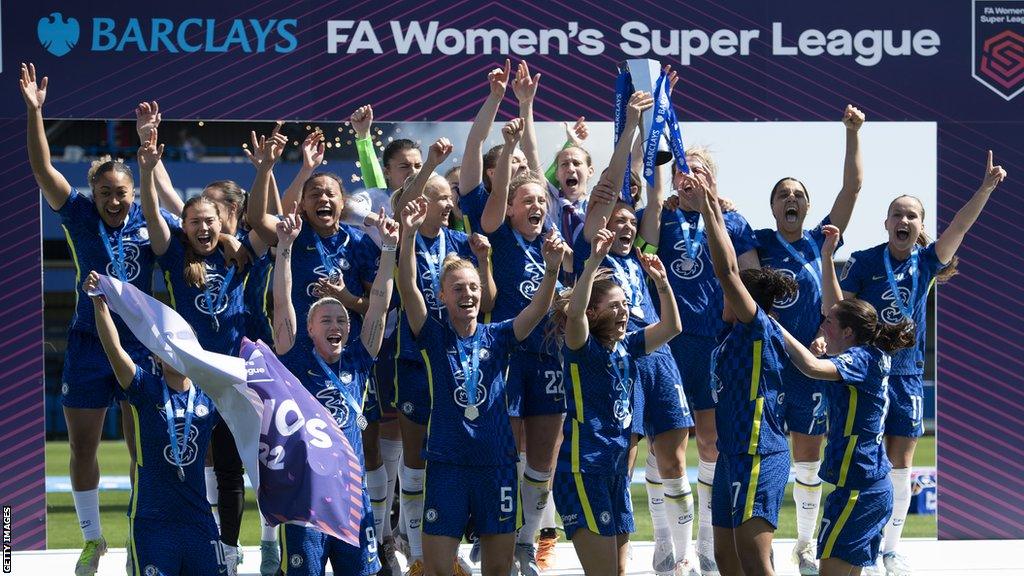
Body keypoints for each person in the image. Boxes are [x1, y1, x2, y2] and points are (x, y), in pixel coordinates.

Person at [21, 63, 164, 576]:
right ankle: (92, 541)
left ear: (131, 192)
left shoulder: (151, 218)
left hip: (142, 345)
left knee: (141, 446)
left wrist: (150, 152)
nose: (113, 199)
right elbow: (43, 172)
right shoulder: (79, 214)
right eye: (104, 192)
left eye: (120, 191)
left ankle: (137, 535)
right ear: (94, 194)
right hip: (87, 344)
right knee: (83, 444)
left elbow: (188, 219)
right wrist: (35, 112)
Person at [839, 152, 1007, 576]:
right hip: (867, 374)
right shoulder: (863, 260)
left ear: (919, 226)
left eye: (912, 215)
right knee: (863, 461)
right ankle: (861, 547)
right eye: (897, 213)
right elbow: (842, 311)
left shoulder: (928, 261)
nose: (904, 220)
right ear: (886, 223)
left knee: (901, 465)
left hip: (908, 376)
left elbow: (961, 226)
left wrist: (984, 188)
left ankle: (889, 552)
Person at [396, 191, 567, 576]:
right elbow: (407, 287)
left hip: (497, 465)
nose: (468, 294)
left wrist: (552, 269)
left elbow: (538, 309)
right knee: (439, 569)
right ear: (441, 295)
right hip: (446, 464)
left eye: (473, 287)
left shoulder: (499, 335)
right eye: (457, 288)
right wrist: (407, 238)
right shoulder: (433, 334)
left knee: (498, 569)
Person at [578, 89, 698, 576]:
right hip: (618, 363)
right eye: (617, 220)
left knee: (672, 454)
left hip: (659, 356)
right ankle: (619, 556)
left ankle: (677, 553)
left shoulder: (645, 252)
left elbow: (652, 193)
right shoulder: (597, 251)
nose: (626, 226)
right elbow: (608, 190)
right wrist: (630, 126)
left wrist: (662, 126)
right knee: (621, 465)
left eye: (633, 222)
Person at [137, 128, 266, 574]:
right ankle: (195, 537)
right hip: (188, 378)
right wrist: (148, 165)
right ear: (184, 227)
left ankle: (229, 550)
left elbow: (266, 230)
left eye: (210, 220)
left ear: (223, 220)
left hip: (230, 377)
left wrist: (264, 170)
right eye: (194, 222)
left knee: (231, 470)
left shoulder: (237, 256)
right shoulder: (173, 255)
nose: (204, 228)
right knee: (189, 463)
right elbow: (155, 212)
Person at [635, 142, 760, 572]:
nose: (690, 177)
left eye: (700, 170)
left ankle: (706, 541)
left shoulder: (735, 221)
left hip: (714, 343)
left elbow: (751, 279)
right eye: (684, 171)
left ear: (714, 179)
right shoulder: (662, 216)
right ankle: (666, 540)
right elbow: (642, 247)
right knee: (665, 443)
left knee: (711, 443)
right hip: (667, 343)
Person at [753, 104, 865, 574]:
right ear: (773, 207)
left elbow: (853, 187)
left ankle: (803, 543)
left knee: (810, 456)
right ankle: (747, 539)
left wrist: (852, 133)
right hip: (774, 363)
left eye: (798, 194)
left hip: (816, 362)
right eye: (783, 195)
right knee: (770, 456)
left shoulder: (823, 239)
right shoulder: (757, 240)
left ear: (808, 206)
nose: (791, 199)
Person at [778, 225, 915, 576]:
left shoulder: (859, 360)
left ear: (848, 332)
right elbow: (836, 307)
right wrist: (826, 256)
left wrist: (769, 322)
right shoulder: (865, 353)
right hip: (863, 487)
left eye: (828, 323)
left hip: (859, 488)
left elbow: (809, 366)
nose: (823, 325)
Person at [270, 204, 398, 576]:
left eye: (341, 319)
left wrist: (389, 250)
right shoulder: (294, 359)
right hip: (305, 495)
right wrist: (285, 248)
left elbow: (379, 304)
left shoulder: (359, 359)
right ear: (309, 329)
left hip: (350, 497)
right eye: (325, 319)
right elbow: (282, 301)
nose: (335, 324)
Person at [389, 139, 495, 576]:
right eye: (440, 198)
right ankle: (416, 554)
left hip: (458, 365)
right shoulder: (406, 236)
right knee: (413, 461)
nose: (449, 205)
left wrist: (485, 263)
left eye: (450, 199)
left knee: (445, 462)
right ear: (421, 203)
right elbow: (401, 205)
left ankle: (442, 553)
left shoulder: (461, 242)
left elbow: (486, 301)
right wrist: (430, 165)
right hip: (416, 359)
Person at [551, 224, 682, 576]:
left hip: (614, 471)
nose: (624, 311)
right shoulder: (582, 346)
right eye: (615, 305)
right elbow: (574, 313)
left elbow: (671, 328)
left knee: (619, 572)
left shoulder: (629, 345)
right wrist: (593, 261)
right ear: (594, 313)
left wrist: (662, 284)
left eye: (626, 304)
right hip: (583, 469)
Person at [479, 118, 575, 575]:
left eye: (543, 200)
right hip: (508, 357)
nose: (537, 206)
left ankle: (526, 542)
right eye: (528, 200)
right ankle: (497, 532)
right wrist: (510, 141)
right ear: (511, 208)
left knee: (544, 459)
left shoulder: (554, 247)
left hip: (549, 358)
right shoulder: (498, 235)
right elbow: (497, 196)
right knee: (507, 452)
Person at [85, 270, 224, 576]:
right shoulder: (144, 388)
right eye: (168, 344)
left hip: (199, 521)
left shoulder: (210, 396)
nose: (176, 350)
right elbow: (114, 350)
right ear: (157, 355)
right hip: (152, 522)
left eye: (184, 342)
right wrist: (100, 305)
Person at [696, 166, 793, 576]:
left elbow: (727, 271)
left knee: (754, 559)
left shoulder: (756, 328)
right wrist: (716, 207)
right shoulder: (727, 332)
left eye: (730, 294)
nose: (723, 294)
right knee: (726, 558)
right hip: (731, 454)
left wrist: (705, 208)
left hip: (759, 452)